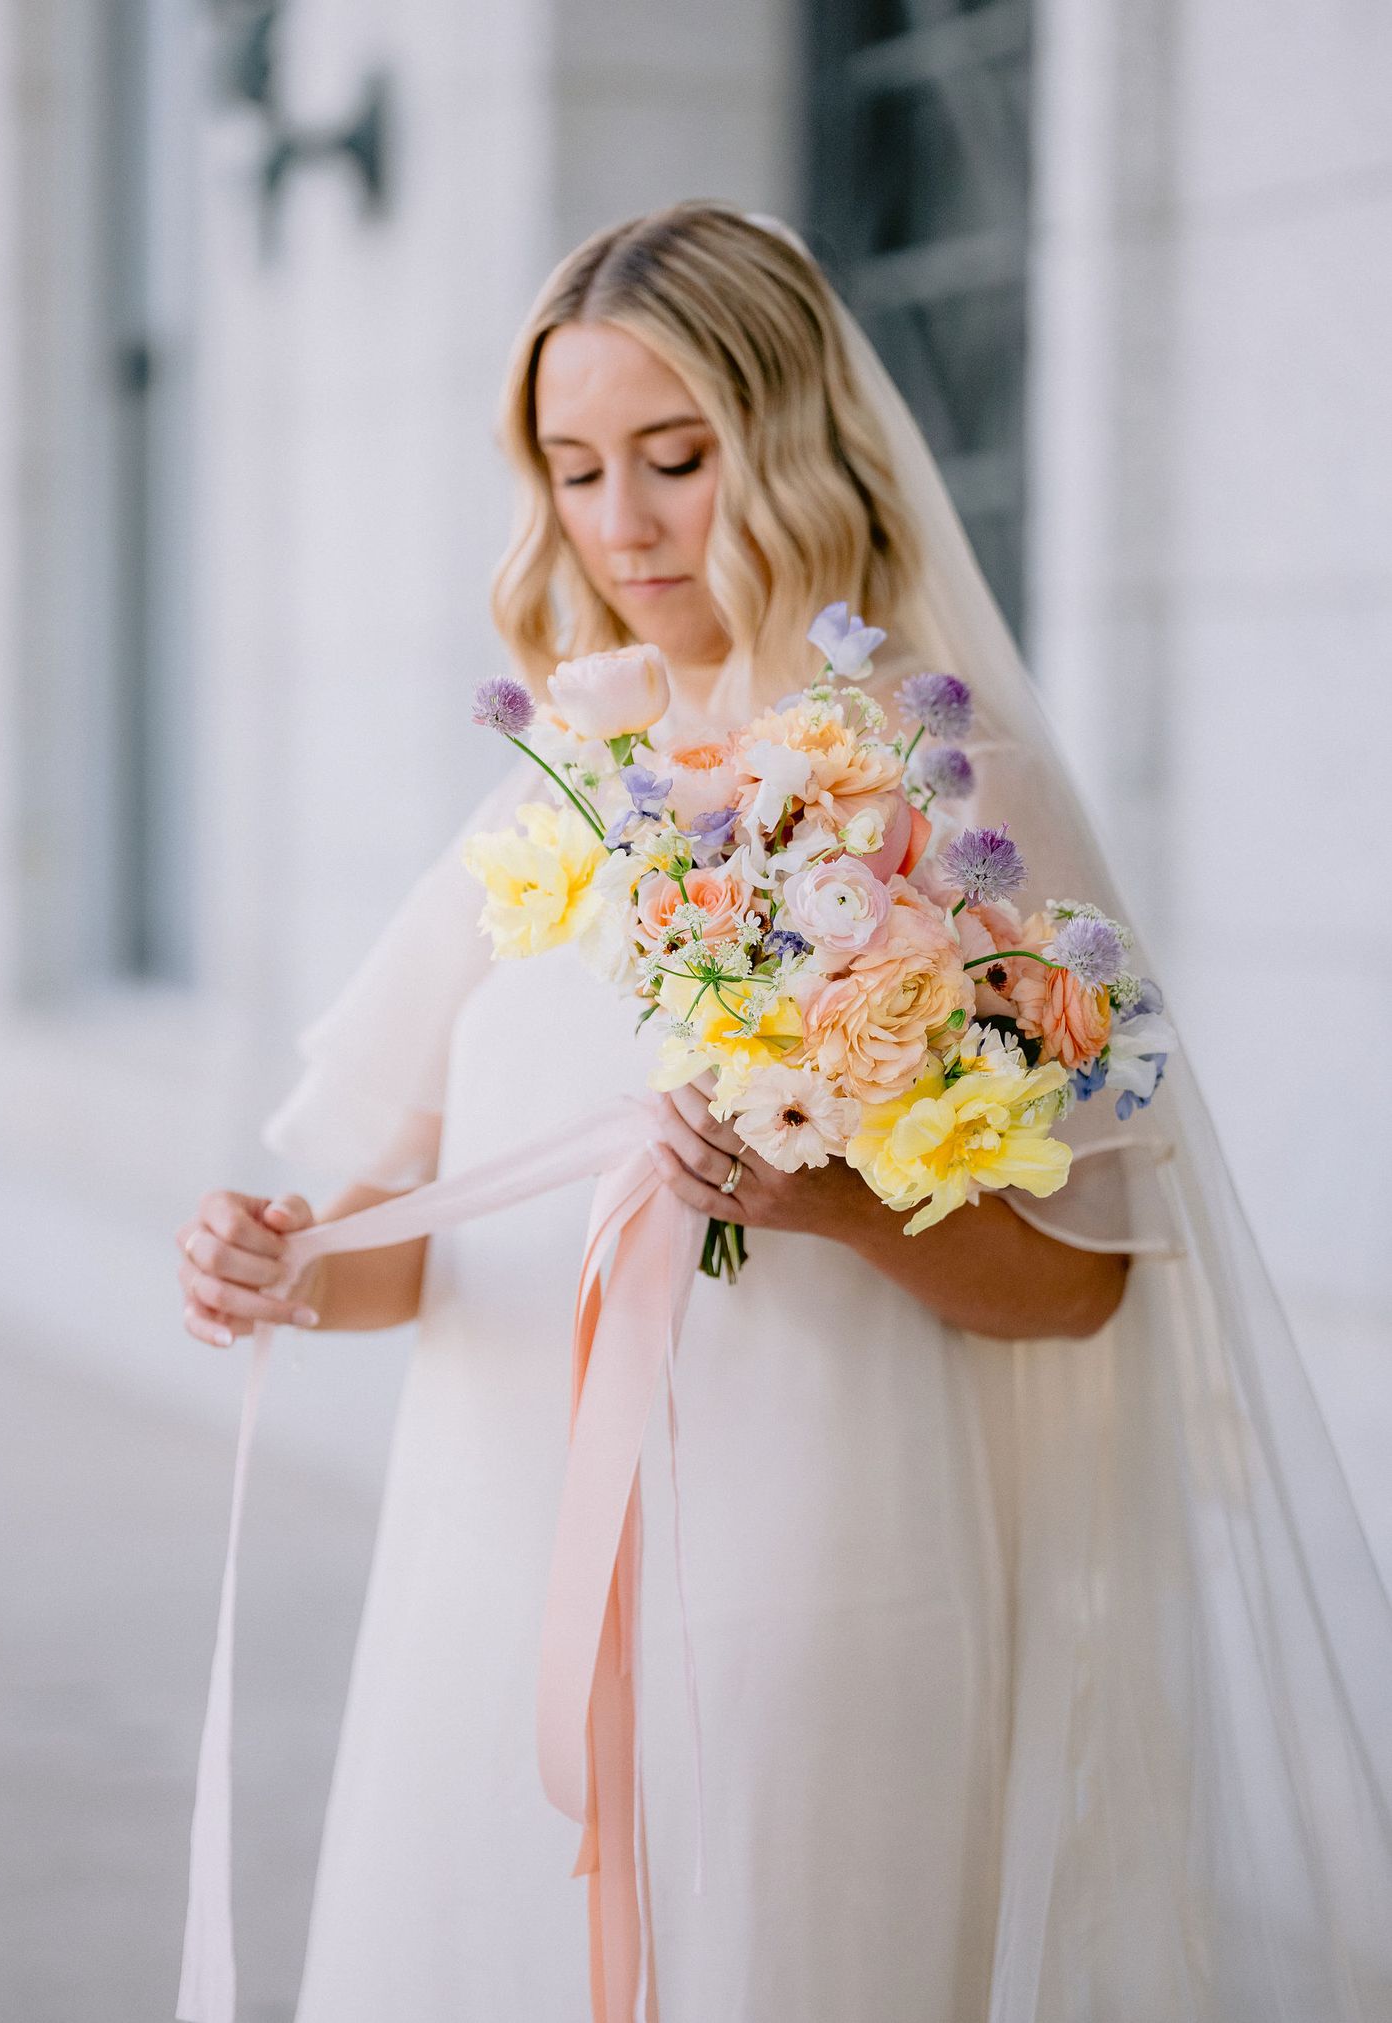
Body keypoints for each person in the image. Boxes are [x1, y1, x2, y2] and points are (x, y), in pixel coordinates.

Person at [174, 204, 1392, 2022]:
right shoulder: (556, 780)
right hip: (490, 1577)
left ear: (793, 442)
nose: (623, 523)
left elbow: (1083, 1288)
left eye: (675, 458)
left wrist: (825, 1202)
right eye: (575, 469)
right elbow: (404, 1233)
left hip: (821, 1580)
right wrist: (287, 1266)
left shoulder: (952, 785)